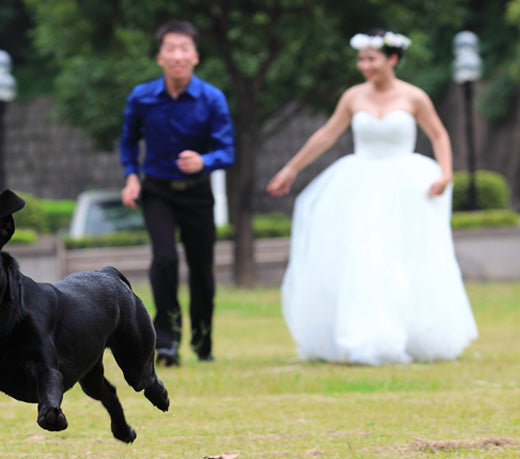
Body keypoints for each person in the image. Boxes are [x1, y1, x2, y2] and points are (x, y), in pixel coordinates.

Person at [266, 29, 477, 365]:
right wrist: (291, 169)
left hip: (405, 186)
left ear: (392, 59)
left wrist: (445, 173)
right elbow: (327, 135)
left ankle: (416, 334)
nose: (365, 65)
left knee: (406, 255)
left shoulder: (414, 97)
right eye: (361, 59)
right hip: (361, 184)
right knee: (364, 256)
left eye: (371, 59)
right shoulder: (353, 97)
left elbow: (439, 135)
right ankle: (366, 335)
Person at [120, 20, 236, 366]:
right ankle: (167, 340)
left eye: (184, 49)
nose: (177, 56)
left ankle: (202, 339)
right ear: (160, 57)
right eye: (170, 49)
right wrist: (131, 178)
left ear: (195, 56)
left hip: (197, 192)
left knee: (201, 268)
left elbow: (227, 151)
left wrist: (204, 160)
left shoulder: (212, 98)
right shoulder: (142, 97)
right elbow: (128, 142)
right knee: (165, 259)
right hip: (157, 191)